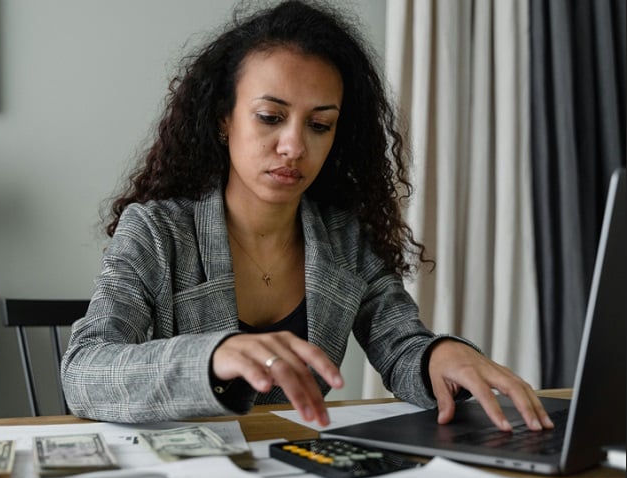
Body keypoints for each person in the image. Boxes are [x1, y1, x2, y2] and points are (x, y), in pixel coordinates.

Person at [61, 0, 553, 432]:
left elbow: (400, 344)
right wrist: (212, 357)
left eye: (320, 124)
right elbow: (84, 371)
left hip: (298, 468)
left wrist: (437, 355)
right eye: (270, 117)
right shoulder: (156, 231)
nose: (294, 146)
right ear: (223, 119)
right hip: (188, 477)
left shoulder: (343, 238)